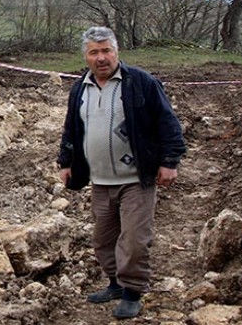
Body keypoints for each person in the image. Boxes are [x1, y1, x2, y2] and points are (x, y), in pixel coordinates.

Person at [57, 27, 186, 319]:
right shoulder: (80, 88)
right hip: (99, 179)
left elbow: (168, 123)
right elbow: (71, 129)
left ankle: (132, 291)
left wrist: (170, 161)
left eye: (106, 51)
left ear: (117, 52)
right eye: (94, 52)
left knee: (135, 239)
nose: (101, 58)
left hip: (135, 179)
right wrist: (66, 162)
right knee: (103, 239)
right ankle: (115, 283)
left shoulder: (141, 83)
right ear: (86, 56)